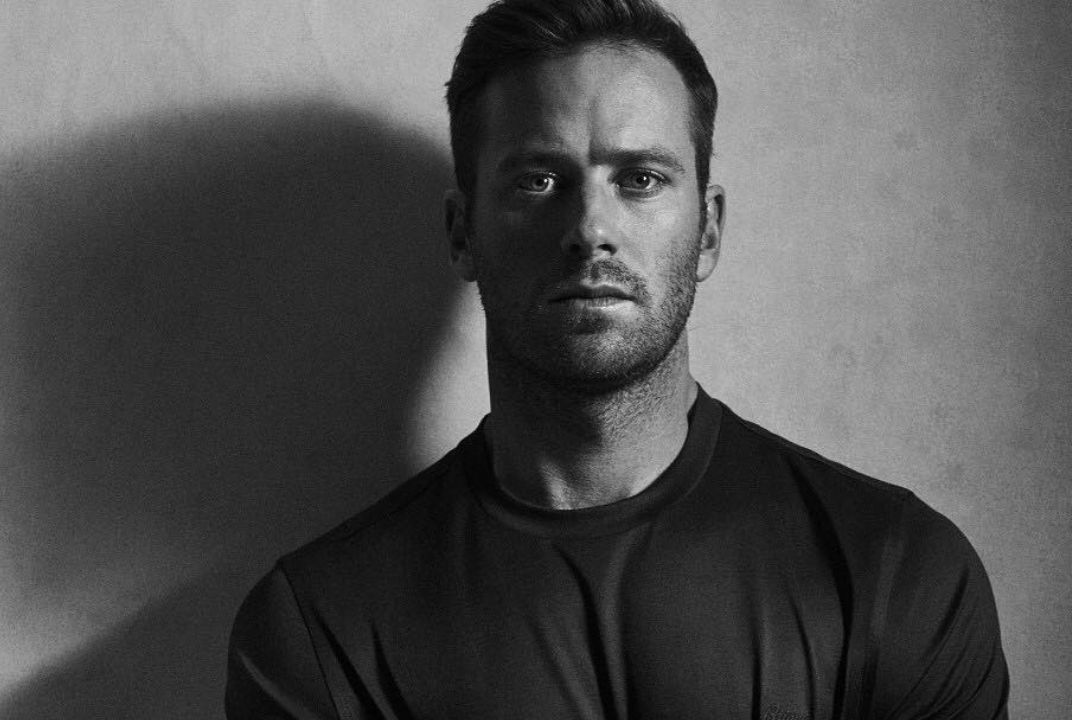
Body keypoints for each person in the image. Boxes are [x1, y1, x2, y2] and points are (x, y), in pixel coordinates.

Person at [225, 0, 1010, 717]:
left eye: (640, 179)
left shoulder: (894, 573)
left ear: (708, 230)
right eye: (539, 180)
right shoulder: (322, 633)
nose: (591, 230)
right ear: (462, 233)